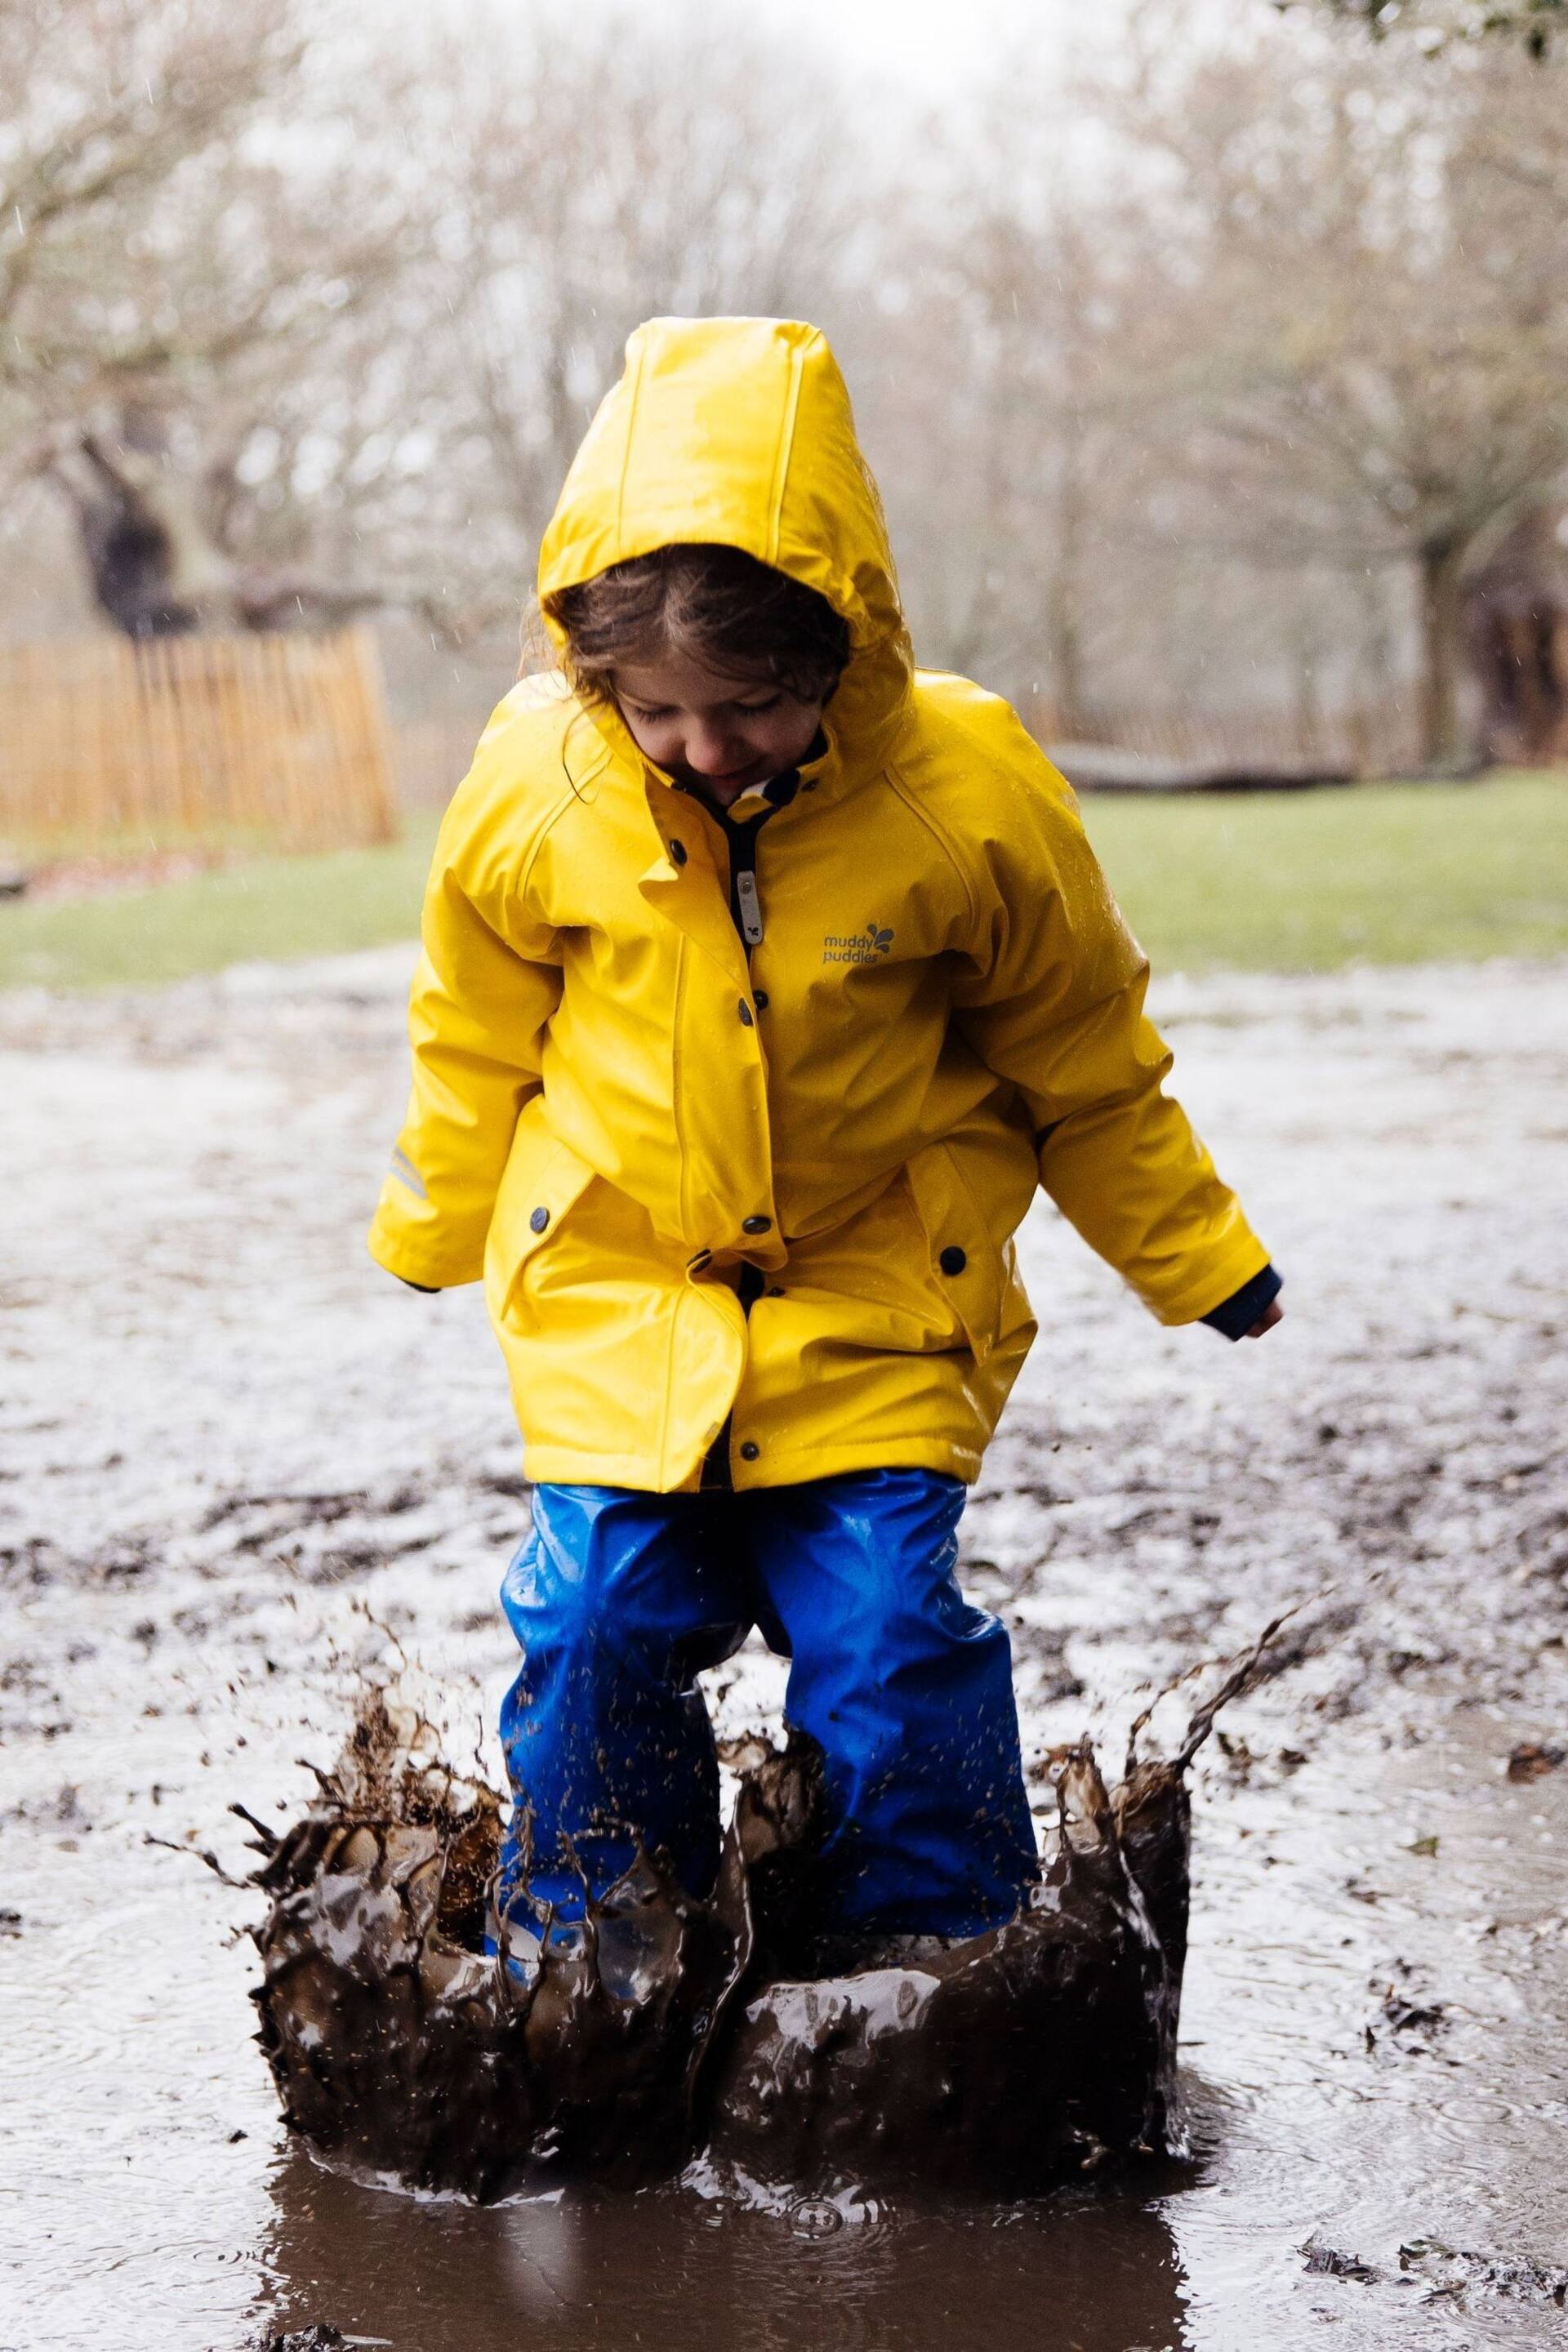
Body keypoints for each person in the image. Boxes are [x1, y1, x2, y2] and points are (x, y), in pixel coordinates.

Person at [368, 316, 1282, 1956]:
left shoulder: (965, 793)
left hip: (876, 1296)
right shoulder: (535, 784)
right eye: (657, 714)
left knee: (882, 1635)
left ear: (846, 645)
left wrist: (1199, 1256)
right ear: (593, 679)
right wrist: (434, 1225)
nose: (708, 749)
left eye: (757, 707)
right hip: (619, 1300)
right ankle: (594, 1958)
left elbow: (1083, 1057)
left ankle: (938, 1967)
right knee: (592, 1624)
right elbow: (472, 1030)